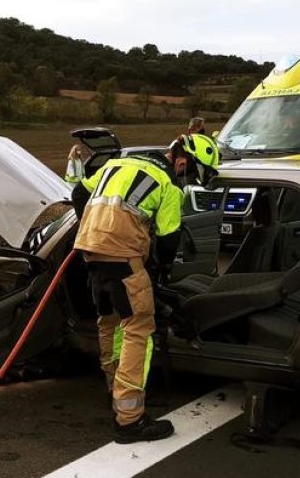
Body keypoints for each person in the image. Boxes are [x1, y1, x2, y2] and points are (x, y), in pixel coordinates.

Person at [71, 132, 221, 443]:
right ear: (183, 162)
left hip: (91, 253)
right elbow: (168, 239)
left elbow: (78, 193)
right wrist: (162, 270)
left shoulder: (118, 164)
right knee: (138, 329)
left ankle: (114, 392)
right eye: (192, 175)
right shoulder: (168, 184)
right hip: (124, 257)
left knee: (109, 323)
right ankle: (130, 420)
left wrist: (92, 229)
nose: (188, 181)